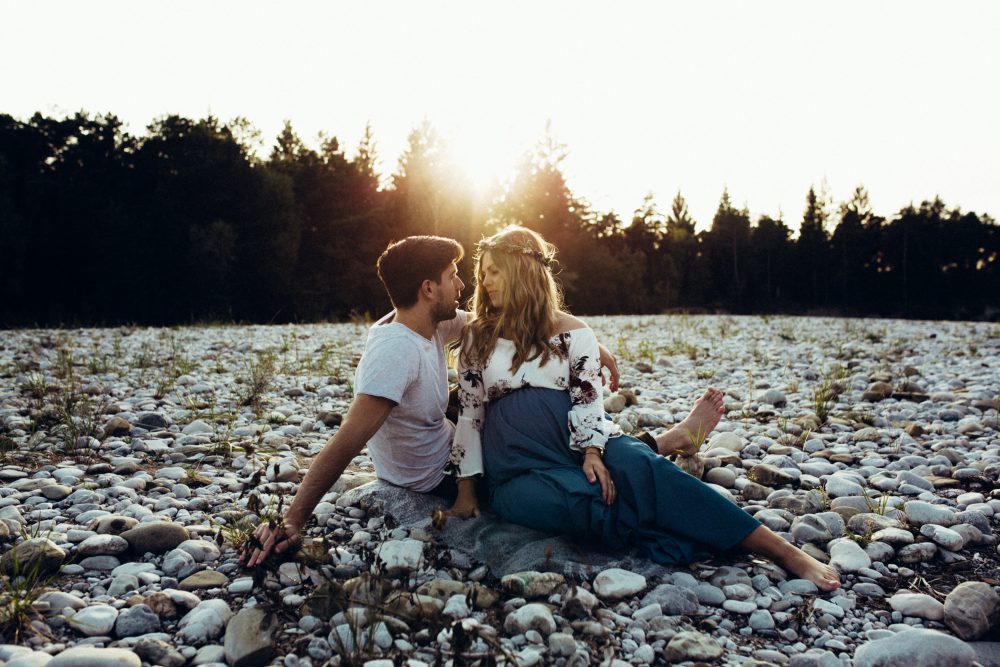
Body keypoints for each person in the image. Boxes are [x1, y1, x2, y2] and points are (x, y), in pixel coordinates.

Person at [446, 226, 840, 591]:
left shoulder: (574, 331)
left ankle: (784, 551)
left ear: (522, 272)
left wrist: (592, 451)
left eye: (494, 272)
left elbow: (587, 398)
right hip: (517, 467)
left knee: (647, 470)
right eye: (483, 275)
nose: (485, 282)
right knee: (584, 504)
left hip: (576, 439)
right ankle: (681, 520)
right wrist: (466, 492)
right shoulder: (478, 337)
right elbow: (470, 415)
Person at [243, 235, 620, 567]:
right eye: (452, 275)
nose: (462, 284)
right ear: (428, 288)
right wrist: (293, 518)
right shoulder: (395, 353)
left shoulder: (425, 322)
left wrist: (583, 342)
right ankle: (642, 446)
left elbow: (503, 319)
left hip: (443, 432)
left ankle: (606, 440)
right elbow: (347, 440)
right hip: (438, 475)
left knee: (500, 393)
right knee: (550, 443)